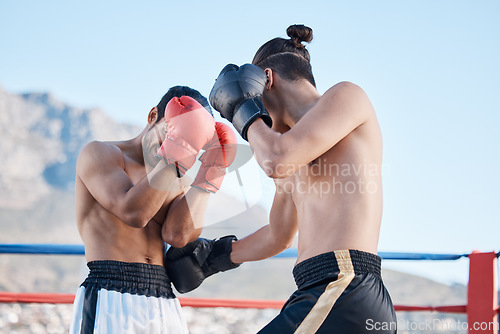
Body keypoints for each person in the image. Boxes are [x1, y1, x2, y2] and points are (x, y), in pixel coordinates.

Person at [171, 24, 396, 333]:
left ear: (266, 79)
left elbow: (275, 159)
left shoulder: (347, 96)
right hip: (322, 293)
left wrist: (241, 108)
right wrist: (213, 258)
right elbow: (278, 235)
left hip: (344, 287)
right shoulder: (290, 148)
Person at [69, 86, 238, 333]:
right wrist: (176, 152)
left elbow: (178, 235)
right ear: (152, 117)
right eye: (169, 135)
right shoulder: (101, 153)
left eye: (189, 142)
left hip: (163, 299)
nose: (169, 146)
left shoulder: (176, 176)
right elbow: (134, 213)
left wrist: (210, 173)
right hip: (110, 292)